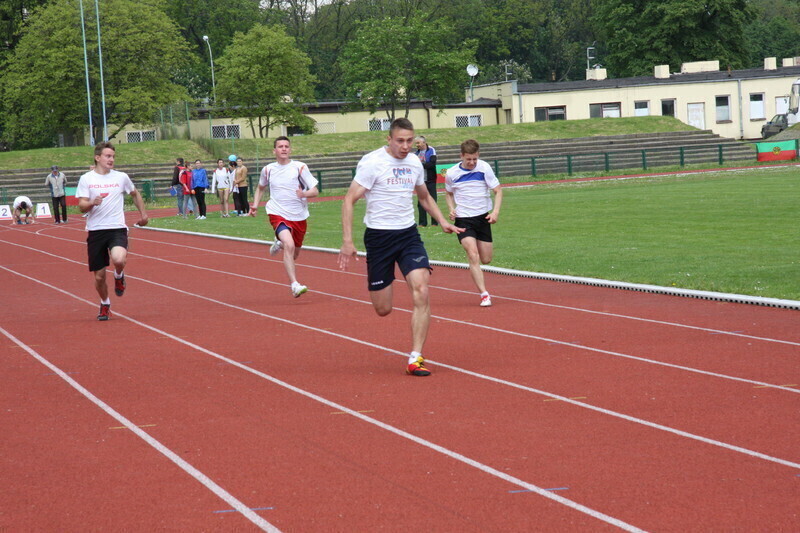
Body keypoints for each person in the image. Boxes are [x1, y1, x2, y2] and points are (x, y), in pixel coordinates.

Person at [338, 118, 463, 376]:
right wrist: (347, 241)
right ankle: (380, 281)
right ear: (389, 139)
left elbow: (424, 195)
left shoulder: (414, 162)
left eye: (410, 140)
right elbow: (349, 200)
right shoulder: (372, 163)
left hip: (408, 235)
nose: (406, 146)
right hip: (379, 238)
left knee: (421, 289)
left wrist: (441, 221)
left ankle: (415, 357)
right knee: (383, 309)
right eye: (400, 141)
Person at [76, 141, 149, 321]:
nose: (111, 160)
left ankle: (119, 275)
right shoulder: (87, 178)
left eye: (113, 157)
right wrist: (92, 202)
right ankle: (105, 303)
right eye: (108, 156)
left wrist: (144, 214)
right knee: (100, 277)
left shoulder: (121, 177)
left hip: (117, 228)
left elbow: (135, 193)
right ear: (97, 157)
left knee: (118, 259)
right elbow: (81, 206)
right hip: (96, 231)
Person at [250, 136, 319, 297]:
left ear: (290, 149)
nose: (283, 149)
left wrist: (304, 193)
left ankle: (279, 243)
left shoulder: (300, 167)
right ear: (274, 150)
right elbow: (260, 188)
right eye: (280, 146)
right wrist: (255, 204)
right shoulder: (268, 170)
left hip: (299, 216)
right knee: (289, 244)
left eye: (286, 146)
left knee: (294, 253)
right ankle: (295, 285)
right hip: (277, 212)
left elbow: (315, 191)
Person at [445, 139, 503, 307]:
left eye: (475, 159)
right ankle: (484, 294)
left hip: (483, 218)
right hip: (463, 219)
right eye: (468, 159)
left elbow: (498, 191)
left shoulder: (484, 168)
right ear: (461, 156)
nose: (472, 163)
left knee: (486, 259)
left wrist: (495, 212)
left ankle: (480, 279)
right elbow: (448, 193)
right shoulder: (452, 173)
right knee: (472, 254)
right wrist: (451, 209)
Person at [415, 135, 438, 227]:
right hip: (421, 182)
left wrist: (421, 165)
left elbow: (432, 164)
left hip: (431, 180)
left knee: (432, 201)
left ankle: (434, 222)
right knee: (420, 202)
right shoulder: (416, 154)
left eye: (418, 143)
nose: (417, 145)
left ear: (424, 142)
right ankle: (422, 223)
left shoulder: (431, 150)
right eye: (416, 143)